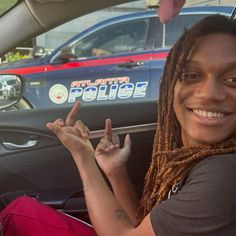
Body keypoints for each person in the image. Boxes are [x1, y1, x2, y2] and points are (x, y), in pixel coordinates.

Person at [1, 14, 236, 236]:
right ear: (169, 87)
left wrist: (84, 156)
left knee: (19, 214)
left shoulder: (223, 175)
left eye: (233, 79)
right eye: (192, 75)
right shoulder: (191, 157)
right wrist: (116, 172)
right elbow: (139, 224)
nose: (210, 94)